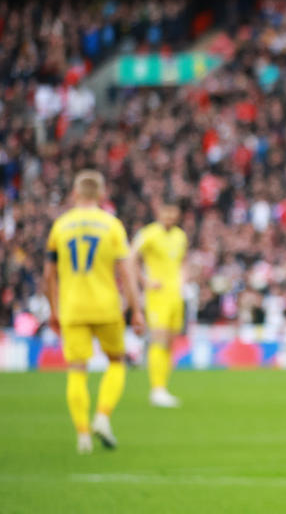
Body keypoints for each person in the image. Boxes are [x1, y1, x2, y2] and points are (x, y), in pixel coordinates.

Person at [43, 170, 144, 454]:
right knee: (116, 361)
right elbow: (126, 272)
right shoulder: (111, 225)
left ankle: (83, 435)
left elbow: (48, 274)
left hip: (72, 308)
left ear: (75, 194)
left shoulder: (60, 227)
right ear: (101, 195)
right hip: (106, 306)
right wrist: (136, 310)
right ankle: (102, 416)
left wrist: (53, 310)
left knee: (77, 370)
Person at [133, 201, 188, 408]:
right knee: (159, 340)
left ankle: (163, 387)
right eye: (167, 212)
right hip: (157, 296)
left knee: (171, 342)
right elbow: (131, 257)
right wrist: (144, 281)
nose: (170, 216)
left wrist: (184, 279)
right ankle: (156, 390)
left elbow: (182, 262)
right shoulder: (148, 234)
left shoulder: (180, 236)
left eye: (173, 212)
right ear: (160, 212)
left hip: (175, 295)